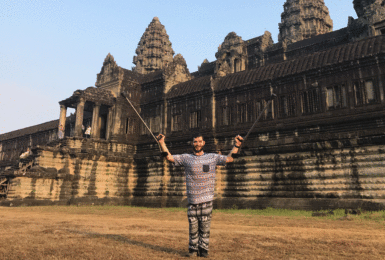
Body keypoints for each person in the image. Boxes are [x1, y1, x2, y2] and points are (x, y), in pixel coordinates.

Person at [157, 133, 243, 258]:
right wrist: (162, 143)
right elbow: (169, 157)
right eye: (195, 141)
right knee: (193, 229)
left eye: (199, 141)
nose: (197, 144)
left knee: (205, 229)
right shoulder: (186, 158)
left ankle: (204, 250)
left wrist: (237, 145)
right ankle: (192, 250)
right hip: (192, 200)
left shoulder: (212, 157)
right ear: (193, 143)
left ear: (204, 143)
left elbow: (229, 158)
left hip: (207, 200)